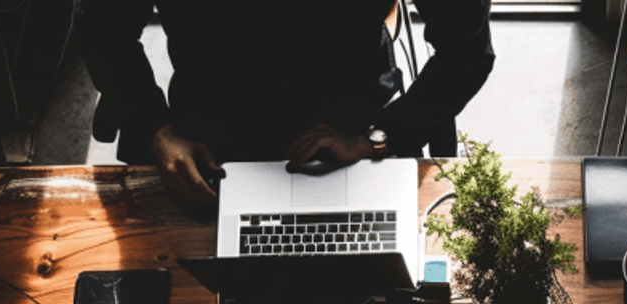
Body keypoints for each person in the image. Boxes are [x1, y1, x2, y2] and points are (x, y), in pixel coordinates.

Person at [76, 1, 495, 202]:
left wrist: (382, 136)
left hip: (348, 143)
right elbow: (103, 31)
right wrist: (155, 127)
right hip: (207, 150)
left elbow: (468, 51)